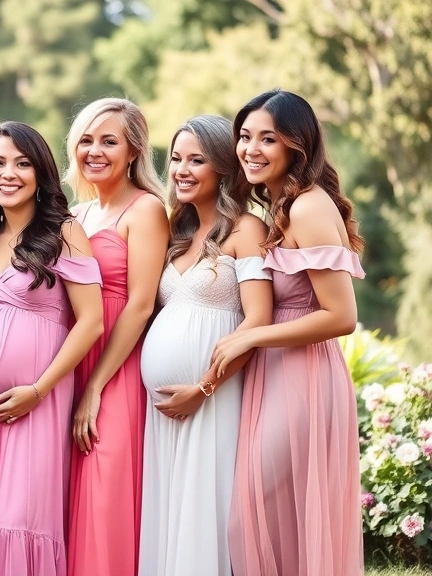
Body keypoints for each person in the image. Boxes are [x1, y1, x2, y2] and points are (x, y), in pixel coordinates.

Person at [214, 89, 365, 576]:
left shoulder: (307, 207)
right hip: (275, 374)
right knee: (275, 518)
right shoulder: (281, 205)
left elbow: (341, 316)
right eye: (244, 136)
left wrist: (252, 336)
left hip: (303, 377)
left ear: (296, 146)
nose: (250, 149)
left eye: (268, 139)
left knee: (249, 515)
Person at [0, 121, 104, 576]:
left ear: (41, 172)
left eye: (22, 163)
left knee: (24, 519)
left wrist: (38, 390)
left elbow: (92, 320)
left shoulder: (65, 231)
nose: (9, 173)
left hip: (37, 400)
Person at [138, 115, 272, 576]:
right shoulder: (176, 232)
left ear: (223, 168)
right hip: (165, 410)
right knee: (169, 512)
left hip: (212, 400)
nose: (181, 169)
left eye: (197, 160)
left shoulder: (246, 230)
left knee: (203, 511)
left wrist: (204, 387)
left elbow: (257, 321)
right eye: (176, 158)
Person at [65, 97, 169, 576]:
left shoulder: (146, 210)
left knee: (106, 491)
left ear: (133, 152)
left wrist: (95, 386)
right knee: (73, 492)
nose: (95, 150)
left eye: (110, 141)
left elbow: (141, 304)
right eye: (86, 139)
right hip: (74, 359)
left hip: (117, 367)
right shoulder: (78, 216)